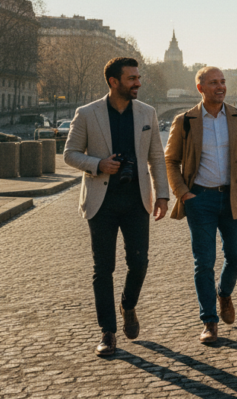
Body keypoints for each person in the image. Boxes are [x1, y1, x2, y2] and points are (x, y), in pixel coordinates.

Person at [64, 57, 170, 357]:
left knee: (139, 263)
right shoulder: (87, 113)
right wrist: (98, 164)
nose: (138, 82)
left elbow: (156, 159)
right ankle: (108, 332)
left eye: (138, 77)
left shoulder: (147, 112)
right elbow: (70, 154)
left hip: (137, 200)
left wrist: (162, 195)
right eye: (131, 78)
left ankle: (128, 304)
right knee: (103, 268)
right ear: (113, 81)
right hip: (102, 202)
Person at [165, 66, 237, 344]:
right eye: (213, 83)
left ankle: (224, 292)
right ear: (200, 88)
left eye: (223, 82)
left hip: (234, 197)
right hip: (201, 199)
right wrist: (183, 193)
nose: (220, 87)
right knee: (203, 262)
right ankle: (209, 321)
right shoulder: (185, 120)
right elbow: (170, 160)